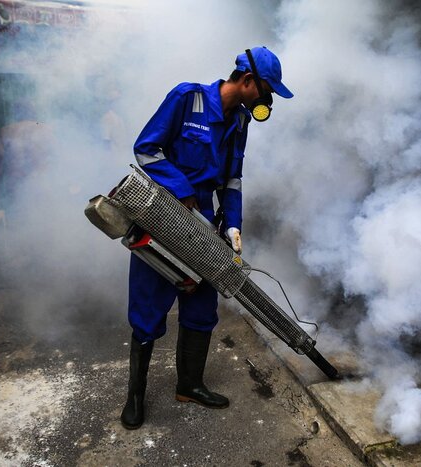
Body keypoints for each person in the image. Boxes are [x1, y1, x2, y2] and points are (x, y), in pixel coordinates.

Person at [121, 47, 293, 430]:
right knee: (148, 310)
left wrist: (233, 223)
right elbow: (146, 148)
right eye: (265, 91)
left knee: (201, 308)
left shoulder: (241, 123)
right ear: (247, 80)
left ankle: (190, 385)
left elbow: (233, 179)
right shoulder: (188, 97)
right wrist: (182, 192)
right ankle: (134, 395)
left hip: (205, 229)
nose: (266, 101)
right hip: (164, 220)